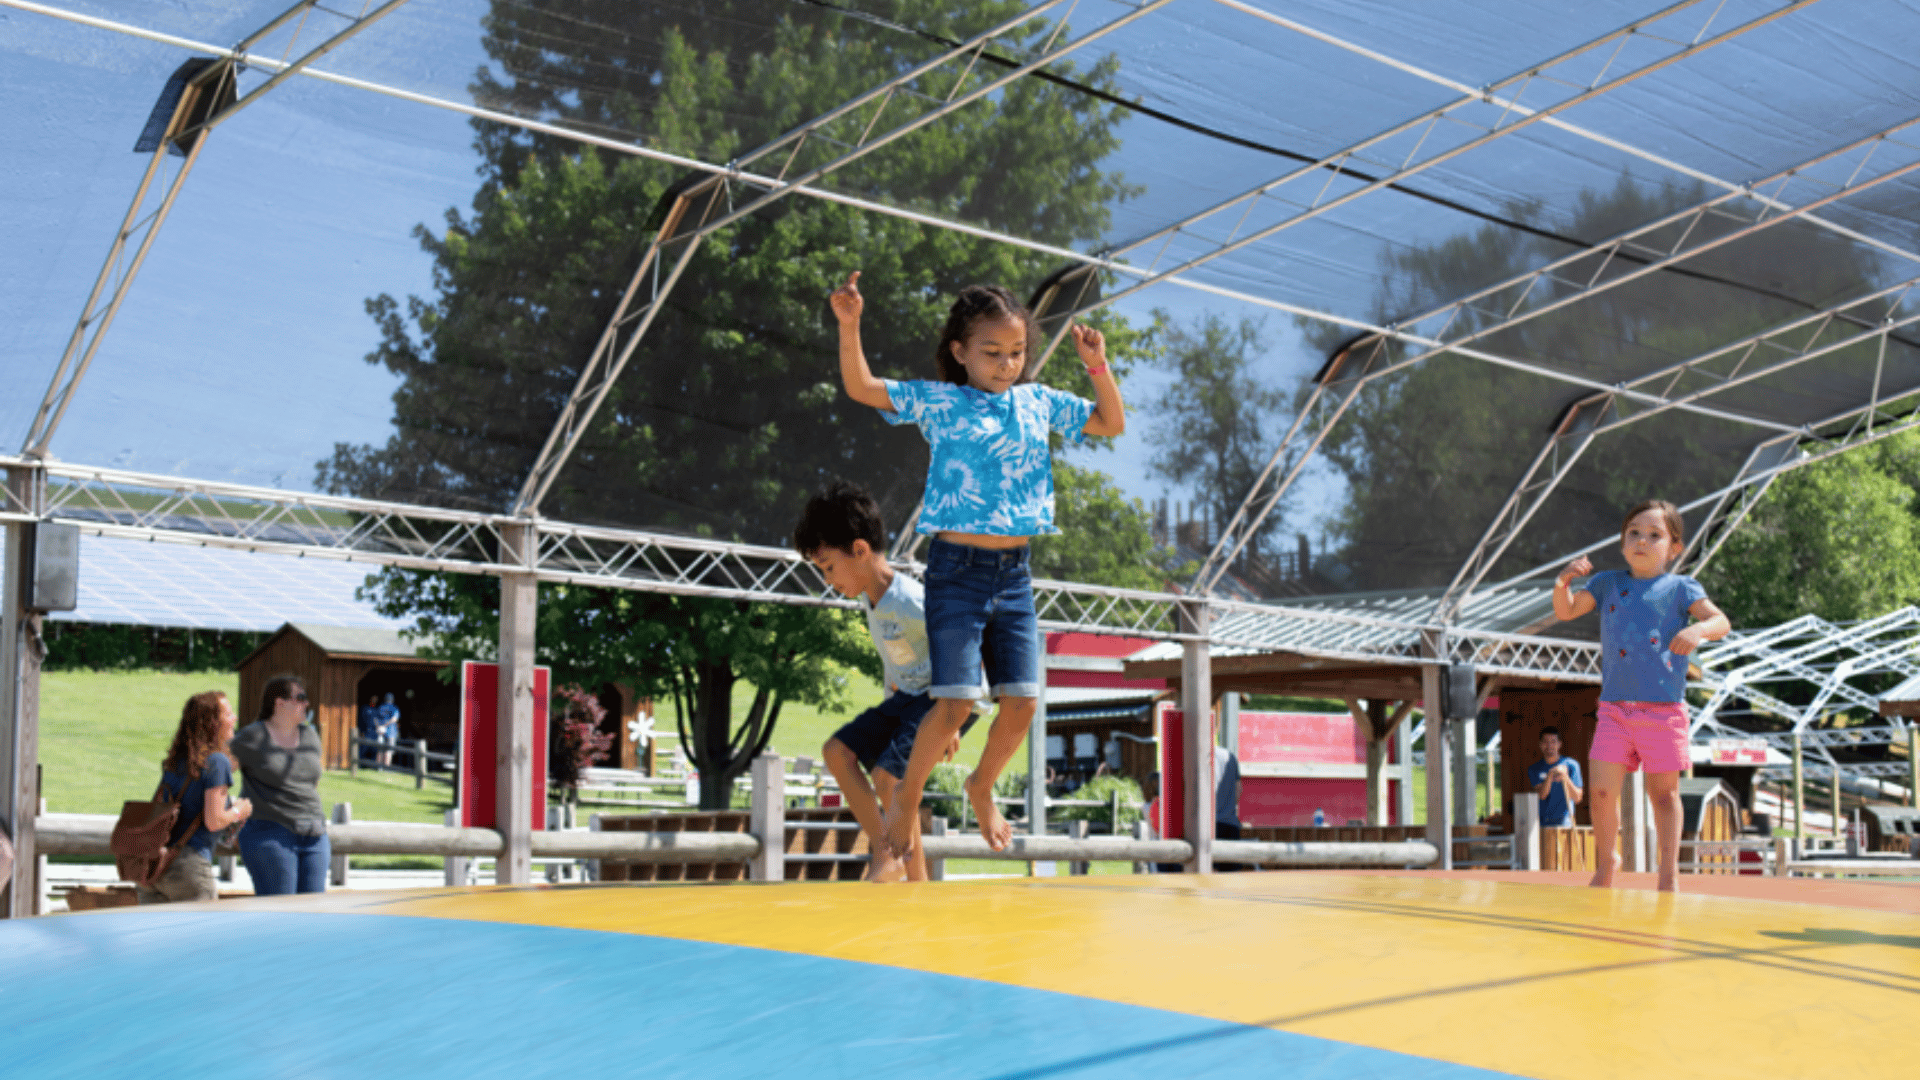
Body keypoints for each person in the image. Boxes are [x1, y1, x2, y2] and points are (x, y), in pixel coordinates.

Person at [830, 271, 1126, 876]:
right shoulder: (942, 402)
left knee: (1023, 701)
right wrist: (850, 323)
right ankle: (906, 797)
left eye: (1016, 352)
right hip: (956, 572)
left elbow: (1109, 422)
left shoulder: (1038, 402)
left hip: (1014, 574)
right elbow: (862, 387)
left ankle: (981, 786)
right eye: (992, 352)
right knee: (956, 701)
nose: (1006, 364)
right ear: (960, 351)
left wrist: (1097, 365)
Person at [794, 481, 976, 882]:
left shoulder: (912, 600)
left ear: (860, 550)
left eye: (829, 567)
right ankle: (890, 852)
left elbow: (963, 651)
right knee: (837, 753)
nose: (827, 580)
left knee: (889, 777)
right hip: (909, 698)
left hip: (945, 698)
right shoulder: (871, 599)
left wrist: (952, 719)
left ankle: (910, 875)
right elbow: (897, 662)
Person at [1553, 499, 1729, 892]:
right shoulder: (1607, 583)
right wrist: (1562, 582)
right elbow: (1566, 611)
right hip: (1614, 710)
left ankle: (1668, 872)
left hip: (1663, 712)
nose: (1642, 541)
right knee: (1601, 792)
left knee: (1663, 795)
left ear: (1675, 548)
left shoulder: (1682, 588)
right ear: (1622, 543)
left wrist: (1698, 630)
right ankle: (1607, 861)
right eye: (1633, 533)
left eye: (1654, 535)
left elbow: (1721, 621)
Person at [138, 691, 253, 904]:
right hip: (188, 867)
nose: (235, 718)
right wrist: (239, 810)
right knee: (203, 927)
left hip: (152, 868)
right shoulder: (217, 762)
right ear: (212, 723)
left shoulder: (177, 761)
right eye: (228, 714)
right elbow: (214, 820)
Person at [232, 674, 331, 895]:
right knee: (281, 910)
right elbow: (219, 769)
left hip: (315, 833)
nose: (307, 703)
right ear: (280, 703)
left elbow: (312, 782)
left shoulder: (310, 736)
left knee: (316, 910)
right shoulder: (253, 736)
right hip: (270, 832)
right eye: (300, 698)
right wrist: (231, 813)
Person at [1527, 726, 1584, 828]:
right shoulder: (1534, 769)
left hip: (1565, 823)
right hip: (1541, 823)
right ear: (1540, 744)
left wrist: (1565, 777)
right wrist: (1549, 776)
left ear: (1559, 744)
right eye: (1545, 742)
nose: (1549, 745)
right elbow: (1542, 795)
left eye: (1553, 742)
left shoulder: (1572, 765)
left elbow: (1577, 798)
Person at [372, 692, 402, 768]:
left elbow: (375, 718)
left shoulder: (380, 707)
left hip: (381, 731)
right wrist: (385, 726)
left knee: (380, 750)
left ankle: (379, 767)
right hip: (391, 732)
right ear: (392, 699)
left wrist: (379, 727)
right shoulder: (394, 708)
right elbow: (394, 719)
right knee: (389, 751)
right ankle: (386, 768)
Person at [357, 694, 380, 766]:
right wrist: (361, 732)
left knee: (374, 750)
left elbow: (378, 721)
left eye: (376, 699)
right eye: (373, 699)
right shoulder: (365, 708)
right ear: (370, 699)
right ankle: (359, 765)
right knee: (363, 749)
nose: (374, 701)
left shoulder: (377, 710)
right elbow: (361, 721)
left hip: (374, 733)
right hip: (366, 732)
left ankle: (372, 766)